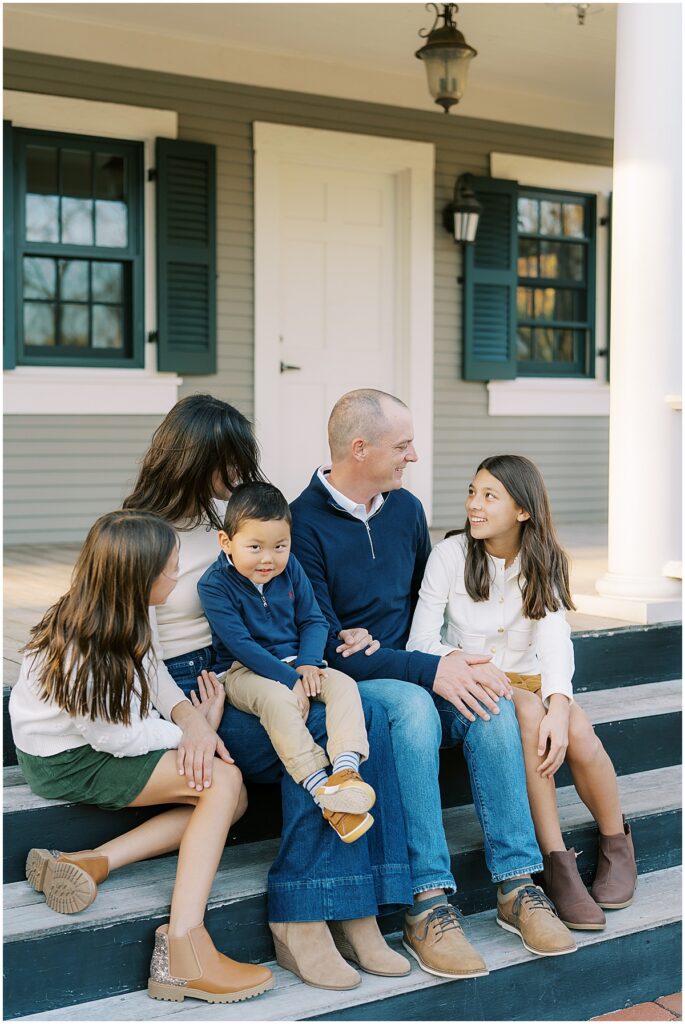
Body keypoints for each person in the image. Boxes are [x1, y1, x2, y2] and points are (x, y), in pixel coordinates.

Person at [123, 394, 411, 991]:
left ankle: (355, 910)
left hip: (249, 663)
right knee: (306, 731)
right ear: (192, 459)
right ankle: (300, 918)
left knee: (370, 716)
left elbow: (294, 596)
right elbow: (138, 650)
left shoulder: (230, 516)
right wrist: (191, 720)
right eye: (230, 463)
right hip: (190, 684)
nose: (242, 476)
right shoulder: (141, 533)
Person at [291, 388, 577, 970]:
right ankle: (427, 903)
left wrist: (458, 661)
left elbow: (431, 610)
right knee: (416, 708)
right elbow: (324, 648)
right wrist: (422, 666)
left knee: (490, 697)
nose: (414, 457)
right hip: (363, 686)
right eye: (403, 446)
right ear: (360, 448)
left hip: (413, 662)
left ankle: (517, 884)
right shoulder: (303, 524)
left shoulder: (403, 509)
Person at [9, 510, 273, 1005]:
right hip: (68, 759)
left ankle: (91, 862)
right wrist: (193, 733)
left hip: (100, 739)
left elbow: (153, 675)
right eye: (171, 568)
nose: (178, 576)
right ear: (139, 577)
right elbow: (120, 739)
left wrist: (191, 722)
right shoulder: (84, 649)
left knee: (229, 797)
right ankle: (182, 949)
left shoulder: (125, 607)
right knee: (222, 784)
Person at [407, 454, 637, 930]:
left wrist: (560, 704)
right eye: (472, 492)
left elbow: (555, 639)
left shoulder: (545, 560)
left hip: (532, 680)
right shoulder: (450, 555)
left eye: (490, 496)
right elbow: (421, 641)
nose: (474, 504)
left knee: (576, 729)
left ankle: (617, 844)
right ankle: (556, 861)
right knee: (531, 713)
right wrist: (478, 671)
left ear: (523, 510)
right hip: (474, 680)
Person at [198, 481, 375, 845]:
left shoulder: (290, 568)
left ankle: (344, 773)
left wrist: (309, 664)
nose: (269, 559)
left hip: (297, 662)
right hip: (242, 671)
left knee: (343, 685)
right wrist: (288, 678)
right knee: (277, 701)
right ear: (226, 543)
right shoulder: (214, 585)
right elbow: (241, 645)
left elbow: (313, 619)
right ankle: (319, 789)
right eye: (255, 547)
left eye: (280, 546)